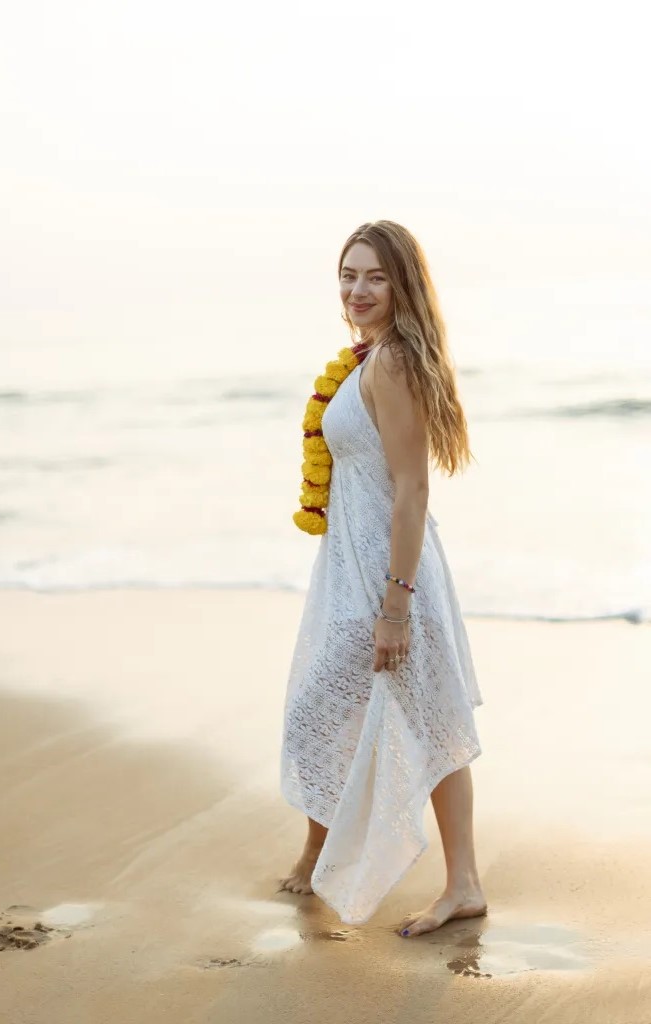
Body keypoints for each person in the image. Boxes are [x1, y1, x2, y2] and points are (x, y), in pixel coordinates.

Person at [279, 220, 486, 938]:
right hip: (355, 571)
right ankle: (333, 854)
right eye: (348, 275)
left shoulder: (392, 361)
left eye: (374, 276)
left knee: (353, 715)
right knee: (415, 716)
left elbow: (412, 489)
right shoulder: (368, 358)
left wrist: (394, 607)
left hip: (388, 578)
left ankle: (456, 882)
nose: (357, 289)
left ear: (403, 285)